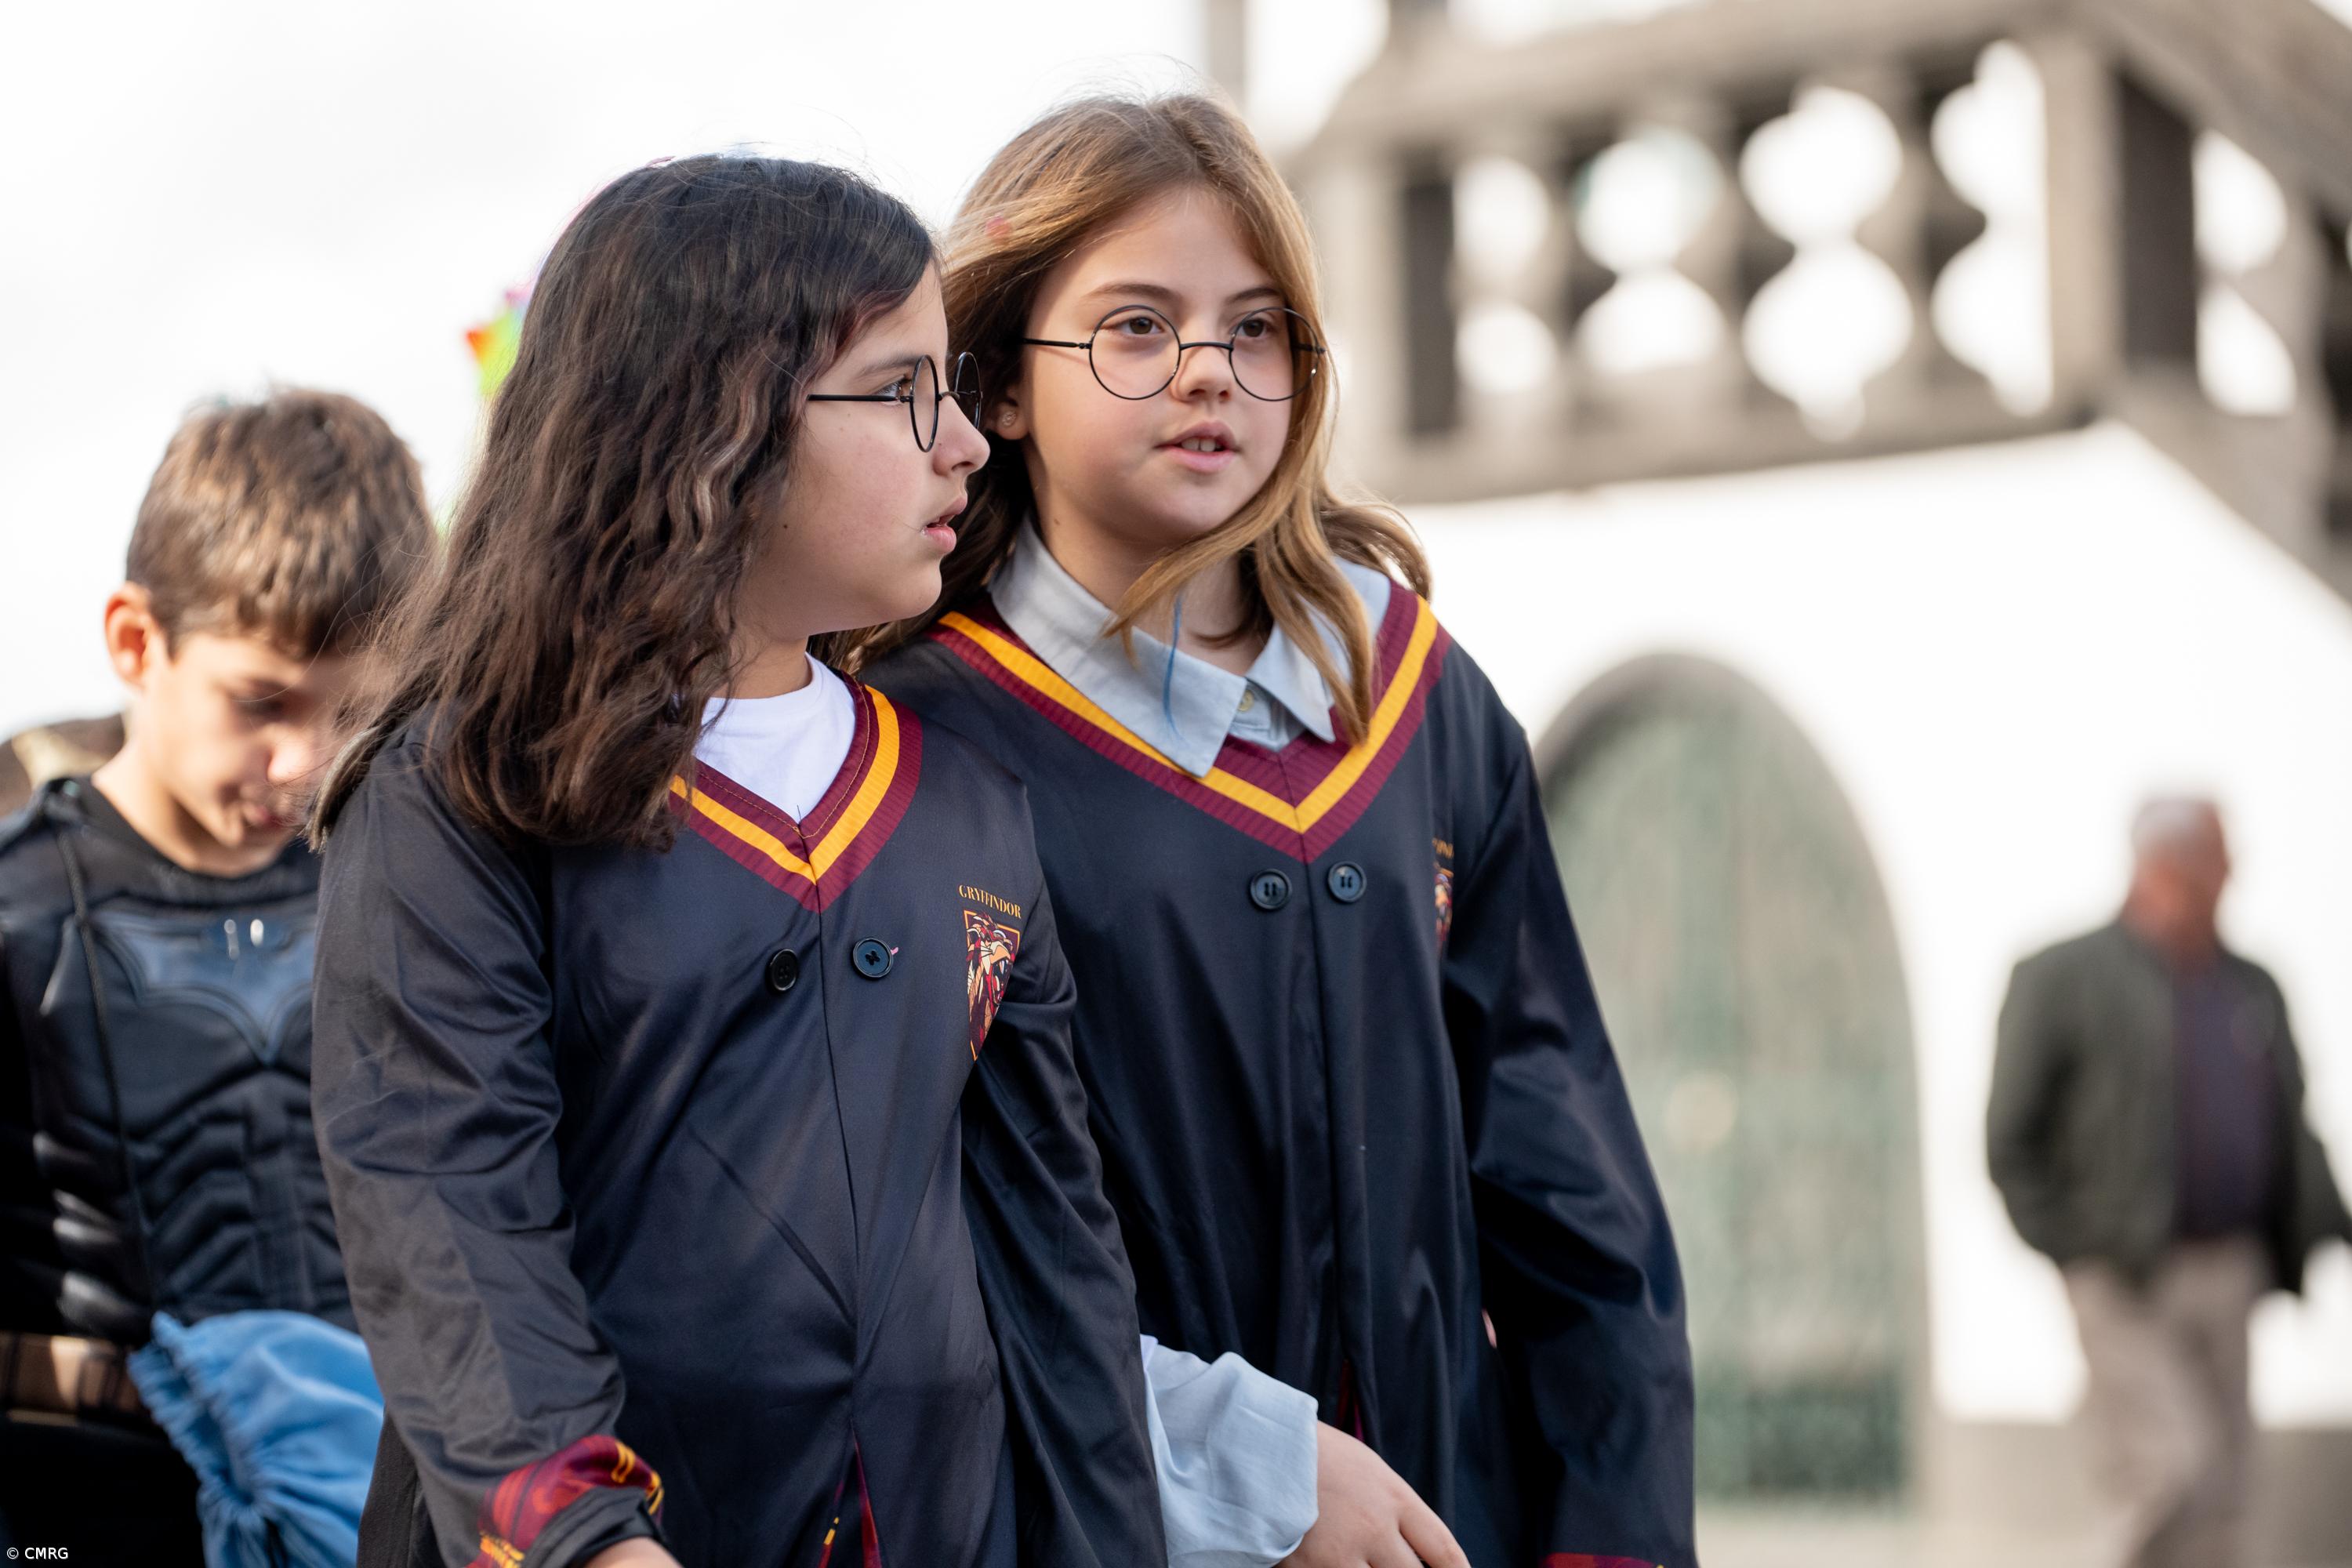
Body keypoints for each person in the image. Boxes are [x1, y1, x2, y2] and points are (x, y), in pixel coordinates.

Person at [850, 93, 1695, 1568]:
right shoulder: (916, 747)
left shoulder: (1417, 698)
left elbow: (1572, 1195)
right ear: (994, 386)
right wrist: (1234, 1471)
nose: (1208, 376)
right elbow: (924, 1250)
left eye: (1258, 330)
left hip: (1453, 1526)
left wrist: (1613, 1535)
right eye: (1133, 328)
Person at [309, 155, 1167, 1568]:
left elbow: (1059, 1265)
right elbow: (449, 1225)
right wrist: (582, 1535)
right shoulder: (464, 793)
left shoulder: (967, 807)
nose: (965, 442)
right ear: (711, 420)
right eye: (904, 391)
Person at [0, 389, 431, 1559]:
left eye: (350, 711)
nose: (301, 761)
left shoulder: (419, 891)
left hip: (394, 1510)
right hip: (91, 1512)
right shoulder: (15, 918)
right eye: (261, 704)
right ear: (139, 643)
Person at [1989, 797, 2352, 1568]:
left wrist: (2329, 1223)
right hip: (2124, 1276)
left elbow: (2291, 1124)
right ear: (2167, 865)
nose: (2231, 874)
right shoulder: (2067, 975)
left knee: (2226, 1496)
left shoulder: (2250, 984)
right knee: (2167, 1472)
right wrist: (2079, 1250)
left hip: (2231, 1270)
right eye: (2218, 858)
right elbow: (2009, 1139)